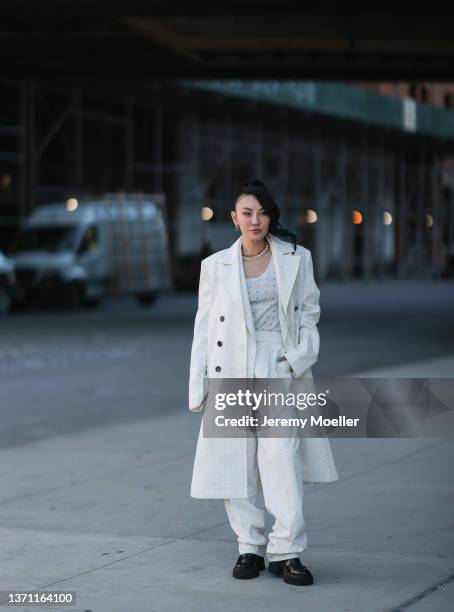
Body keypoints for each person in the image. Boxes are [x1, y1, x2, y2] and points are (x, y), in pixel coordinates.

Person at [188, 178, 339, 586]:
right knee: (234, 461)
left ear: (271, 216)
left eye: (262, 212)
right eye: (247, 213)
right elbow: (203, 326)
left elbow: (310, 313)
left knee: (281, 459)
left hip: (276, 364)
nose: (255, 220)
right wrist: (198, 384)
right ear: (234, 219)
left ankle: (287, 550)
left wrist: (294, 359)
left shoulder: (297, 258)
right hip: (229, 366)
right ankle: (249, 547)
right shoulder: (215, 265)